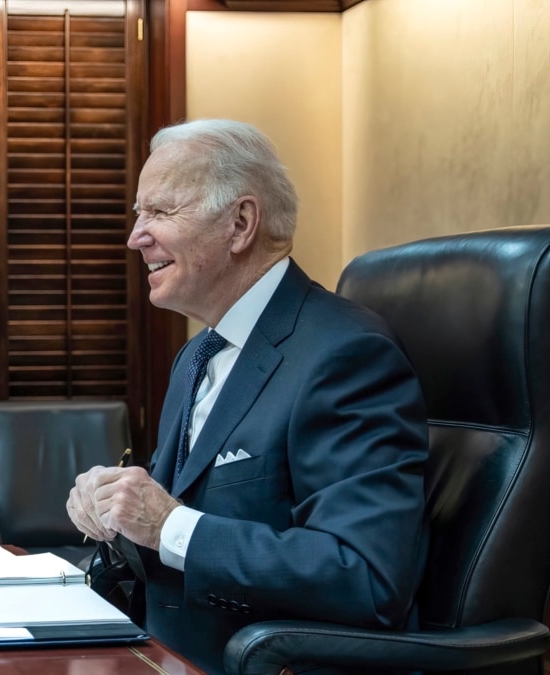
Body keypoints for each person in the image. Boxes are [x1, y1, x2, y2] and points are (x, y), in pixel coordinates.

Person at [66, 120, 429, 672]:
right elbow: (180, 524)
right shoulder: (197, 356)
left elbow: (365, 576)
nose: (136, 235)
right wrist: (117, 514)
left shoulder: (347, 356)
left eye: (159, 212)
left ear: (240, 224)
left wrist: (166, 524)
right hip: (161, 650)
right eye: (139, 213)